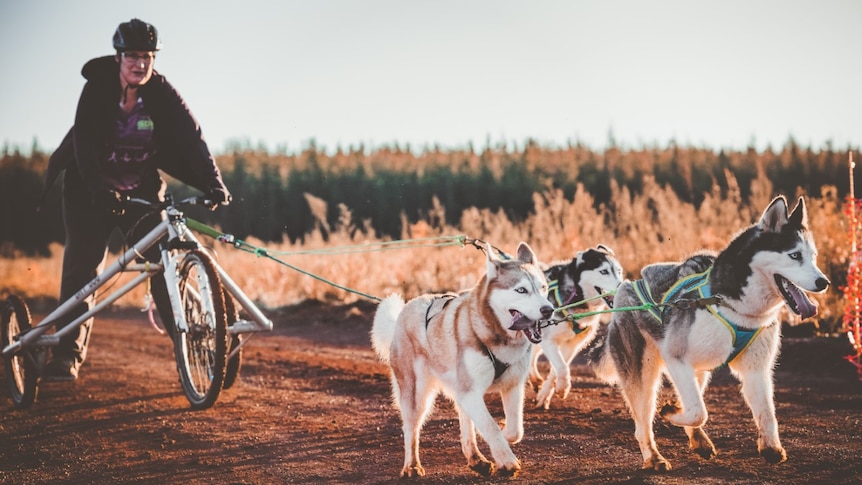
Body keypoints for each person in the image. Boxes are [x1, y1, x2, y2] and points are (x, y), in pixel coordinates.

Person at [41, 18, 231, 380]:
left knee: (162, 263)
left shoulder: (160, 92)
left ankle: (193, 342)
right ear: (118, 57)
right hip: (89, 190)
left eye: (147, 56)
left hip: (141, 191)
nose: (140, 64)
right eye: (132, 56)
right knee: (83, 271)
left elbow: (192, 136)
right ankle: (66, 355)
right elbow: (83, 145)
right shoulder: (97, 89)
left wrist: (213, 181)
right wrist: (100, 190)